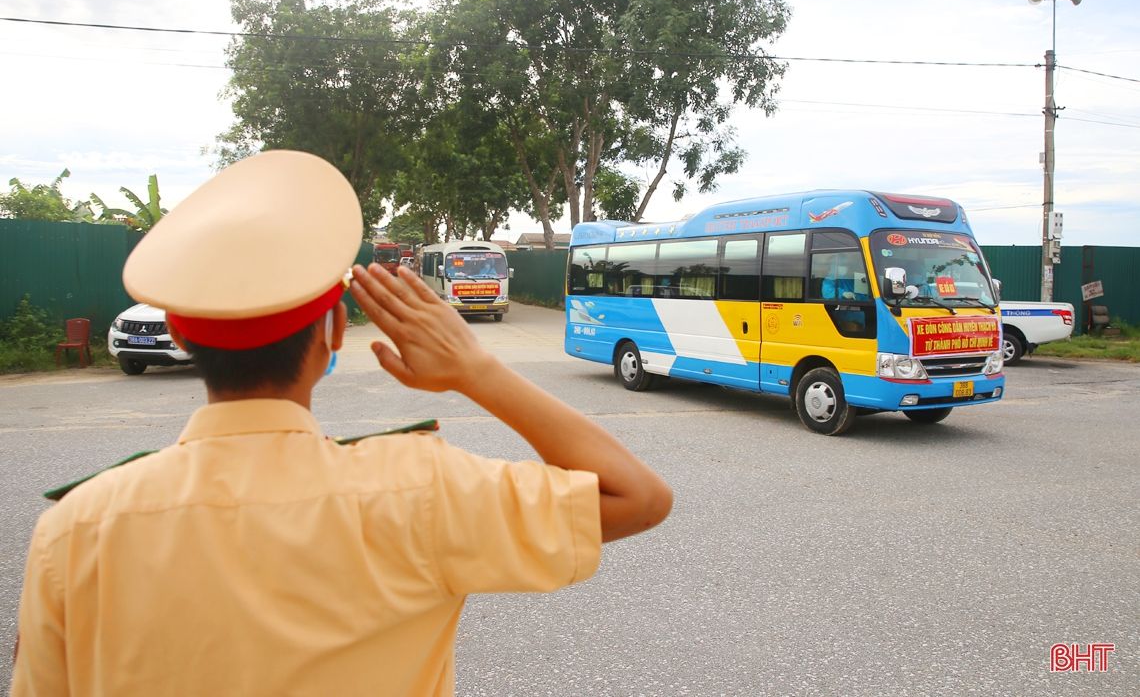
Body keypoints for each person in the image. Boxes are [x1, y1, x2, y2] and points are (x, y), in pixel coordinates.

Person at [12, 150, 672, 696]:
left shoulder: (75, 530)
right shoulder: (419, 491)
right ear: (333, 330)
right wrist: (475, 370)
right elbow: (638, 497)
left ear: (180, 332)